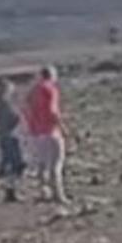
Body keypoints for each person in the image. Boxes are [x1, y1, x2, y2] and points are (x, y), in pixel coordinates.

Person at [24, 65, 72, 203]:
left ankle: (44, 191)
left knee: (42, 163)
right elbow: (52, 111)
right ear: (52, 75)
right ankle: (58, 195)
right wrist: (62, 126)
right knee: (56, 164)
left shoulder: (33, 91)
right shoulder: (50, 89)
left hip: (37, 132)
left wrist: (31, 125)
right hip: (51, 131)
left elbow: (26, 107)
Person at [0, 77, 26, 203]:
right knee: (16, 164)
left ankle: (9, 189)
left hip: (2, 135)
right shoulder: (5, 103)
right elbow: (13, 118)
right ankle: (11, 190)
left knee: (9, 163)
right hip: (11, 135)